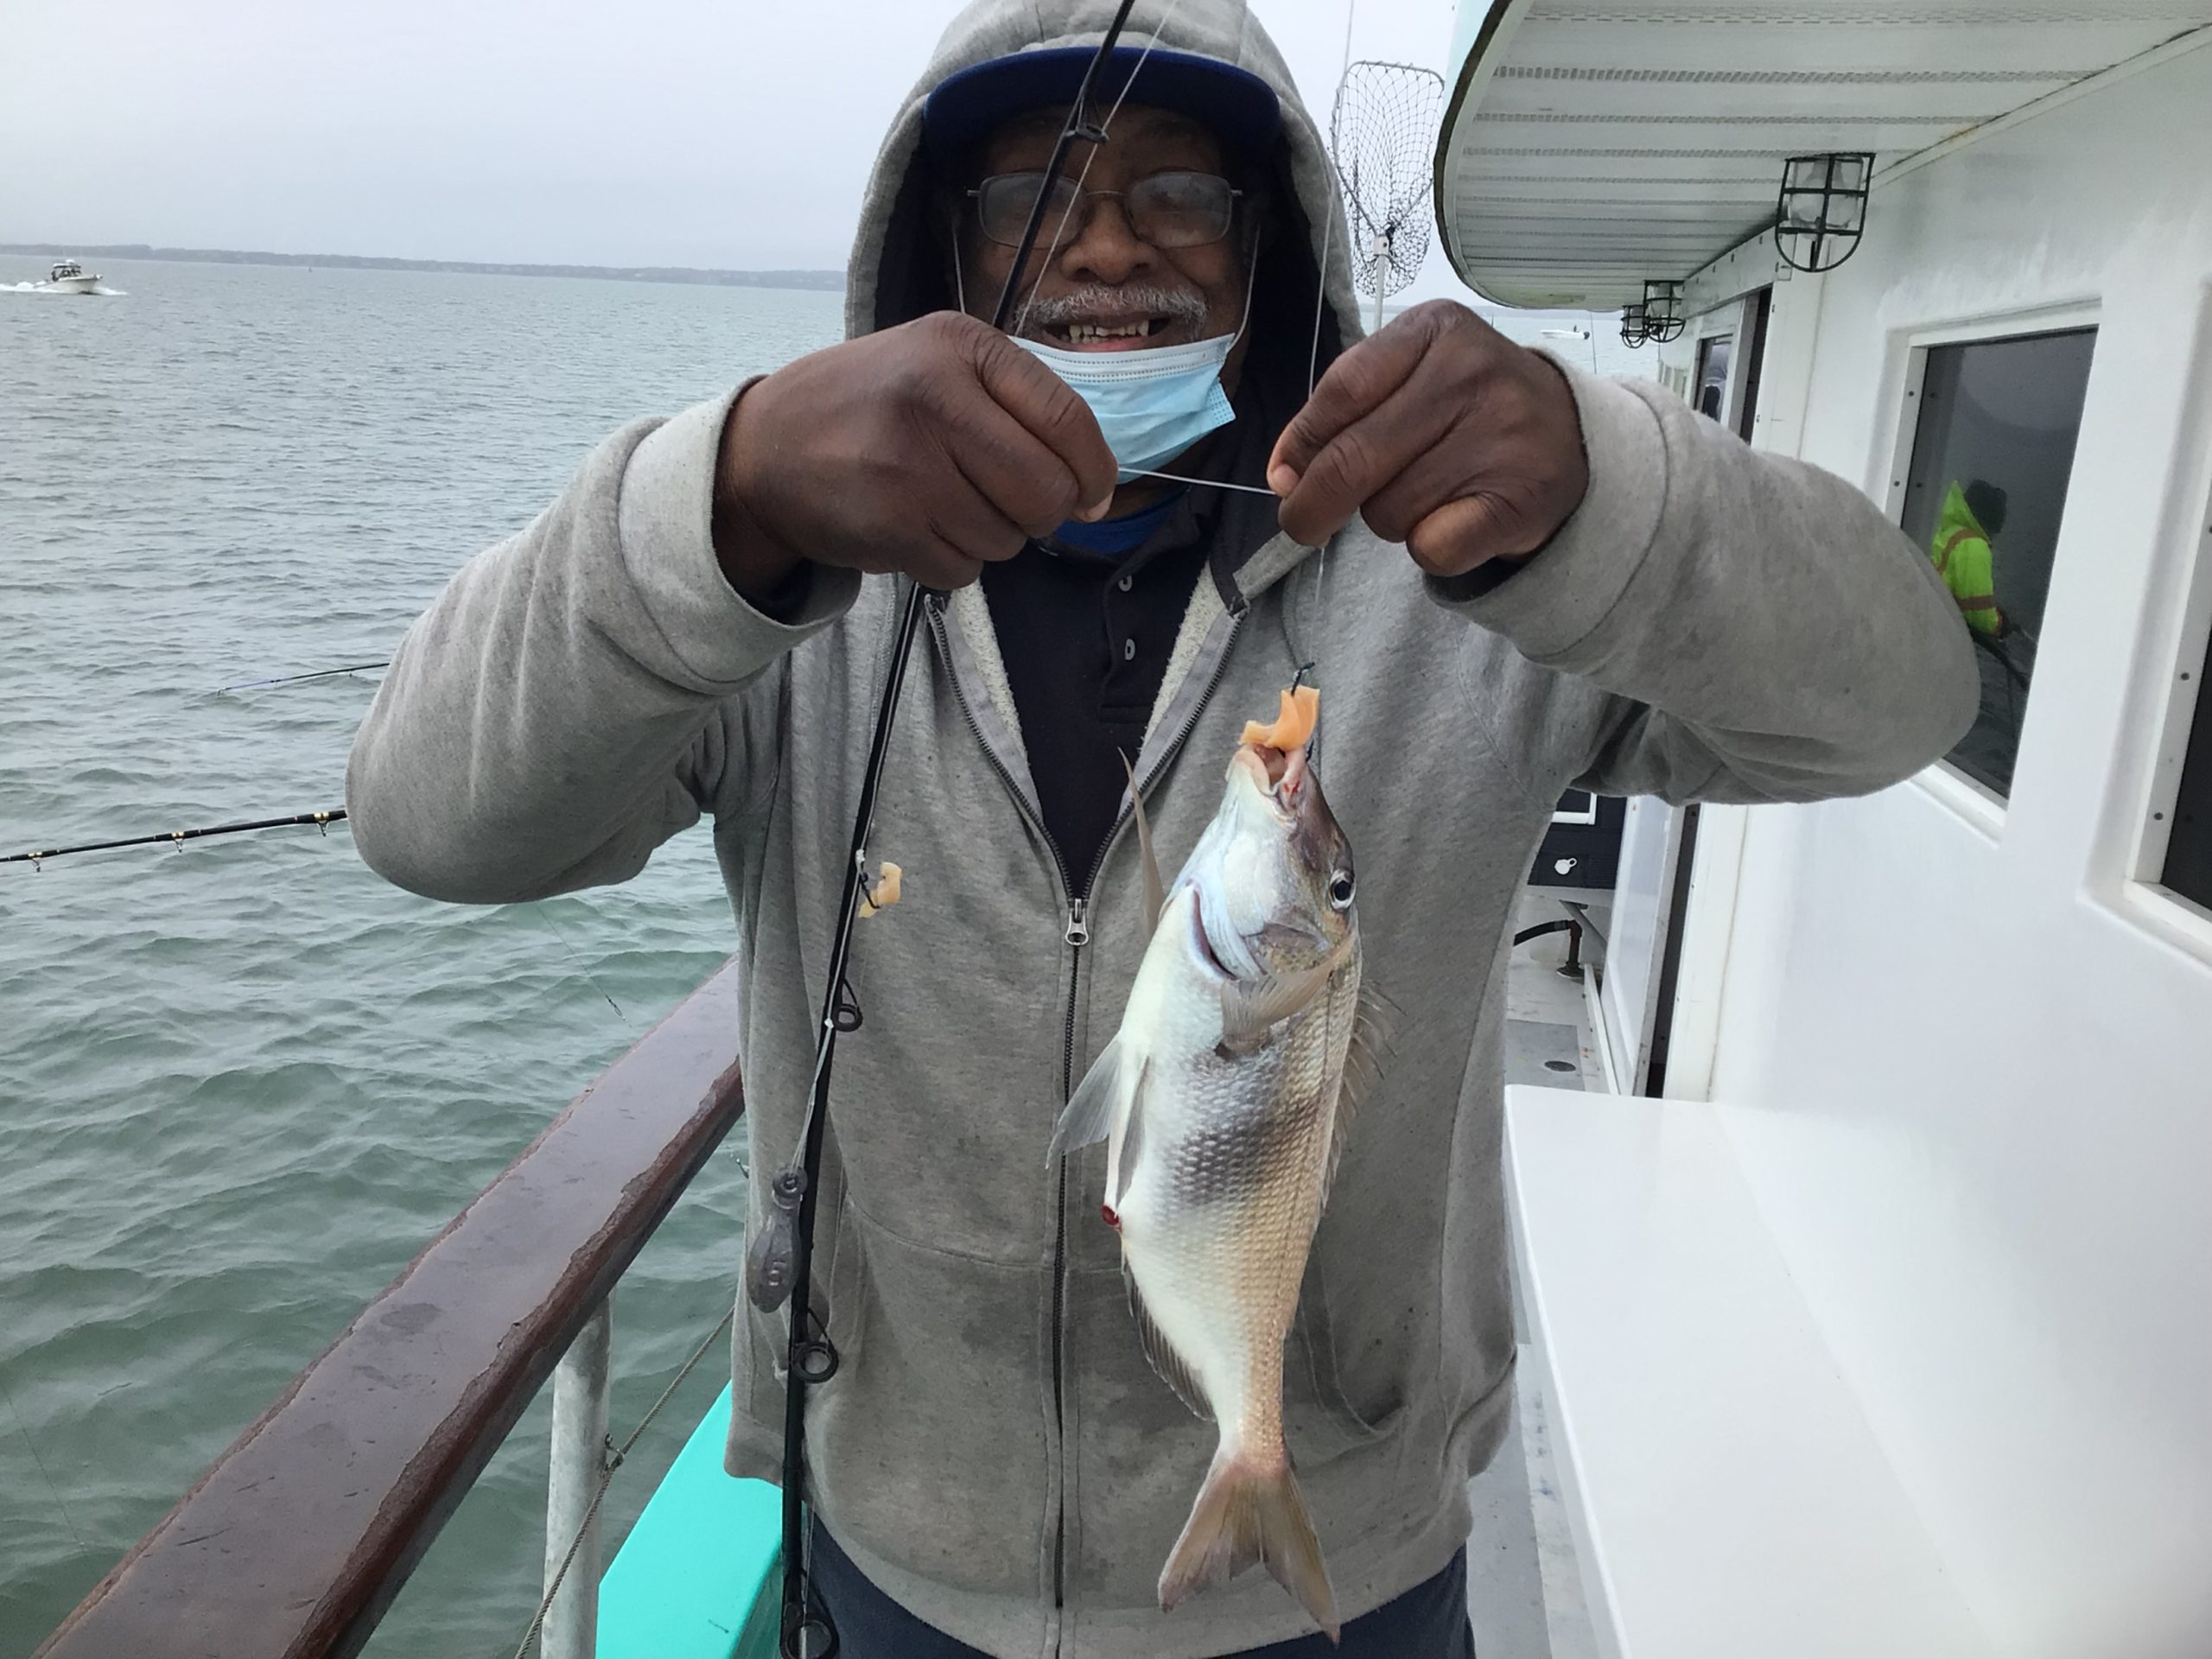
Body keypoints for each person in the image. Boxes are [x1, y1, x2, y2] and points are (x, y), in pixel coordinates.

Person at [346, 4, 1978, 1655]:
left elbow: (1903, 701)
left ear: (1271, 246)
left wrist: (1609, 500)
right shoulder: (788, 590)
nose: (1108, 248)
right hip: (898, 1557)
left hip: (1344, 1572)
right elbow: (428, 820)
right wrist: (730, 491)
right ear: (940, 252)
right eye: (1034, 197)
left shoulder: (1466, 571)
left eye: (1182, 194)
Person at [1929, 478, 2008, 636]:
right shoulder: (1974, 546)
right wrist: (2000, 625)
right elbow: (1979, 615)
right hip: (1943, 631)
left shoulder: (1952, 531)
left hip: (1932, 614)